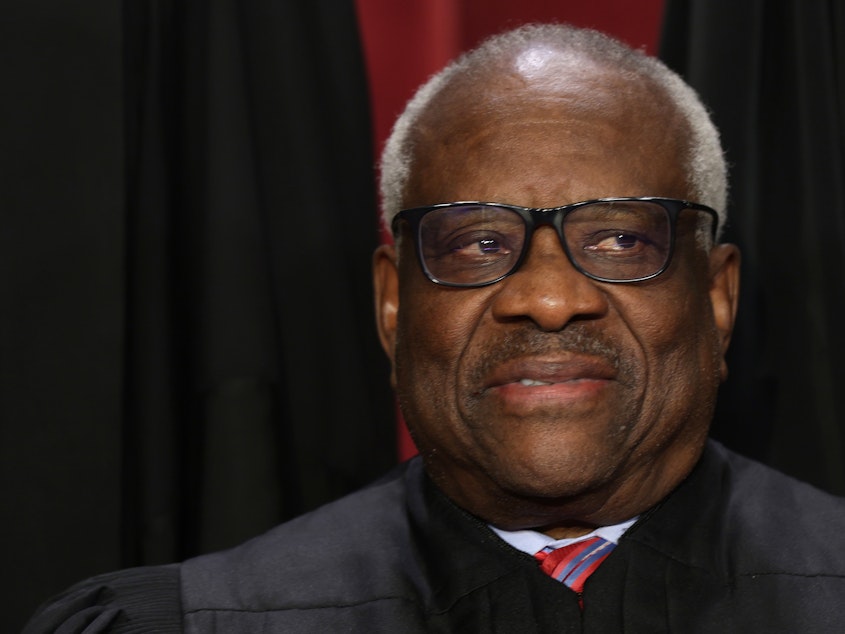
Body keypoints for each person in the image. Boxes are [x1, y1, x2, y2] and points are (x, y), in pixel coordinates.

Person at [24, 23, 845, 633]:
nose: (549, 299)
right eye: (478, 243)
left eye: (622, 240)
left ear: (716, 299)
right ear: (391, 308)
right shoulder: (203, 622)